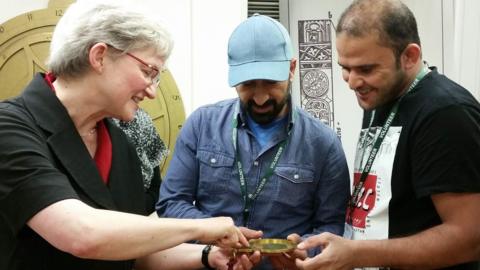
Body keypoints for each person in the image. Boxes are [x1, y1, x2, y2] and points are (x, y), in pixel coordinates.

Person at [0, 1, 254, 269]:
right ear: (99, 56)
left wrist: (207, 255)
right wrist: (199, 228)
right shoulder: (12, 127)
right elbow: (81, 234)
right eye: (148, 72)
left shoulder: (120, 144)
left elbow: (135, 251)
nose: (153, 91)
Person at [295, 0, 480, 269]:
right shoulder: (381, 96)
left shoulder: (445, 113)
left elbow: (470, 237)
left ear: (410, 56)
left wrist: (359, 254)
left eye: (366, 69)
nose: (353, 82)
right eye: (345, 67)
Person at [156, 14, 351, 269]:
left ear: (292, 69)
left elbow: (332, 225)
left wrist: (304, 248)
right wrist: (212, 234)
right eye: (247, 84)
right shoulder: (201, 125)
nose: (259, 98)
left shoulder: (323, 144)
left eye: (271, 83)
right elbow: (171, 203)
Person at [113, 108, 167, 213]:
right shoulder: (86, 124)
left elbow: (156, 189)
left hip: (138, 217)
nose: (151, 93)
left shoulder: (142, 120)